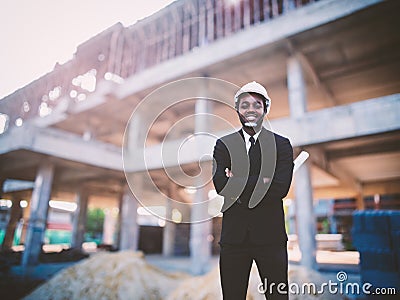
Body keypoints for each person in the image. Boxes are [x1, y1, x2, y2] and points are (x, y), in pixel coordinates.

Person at [212, 81, 294, 299]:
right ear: (237, 109)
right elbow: (221, 185)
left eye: (257, 105)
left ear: (265, 109)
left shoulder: (282, 145)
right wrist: (263, 180)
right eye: (245, 104)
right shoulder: (223, 145)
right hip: (233, 240)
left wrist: (238, 181)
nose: (251, 109)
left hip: (271, 239)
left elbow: (280, 187)